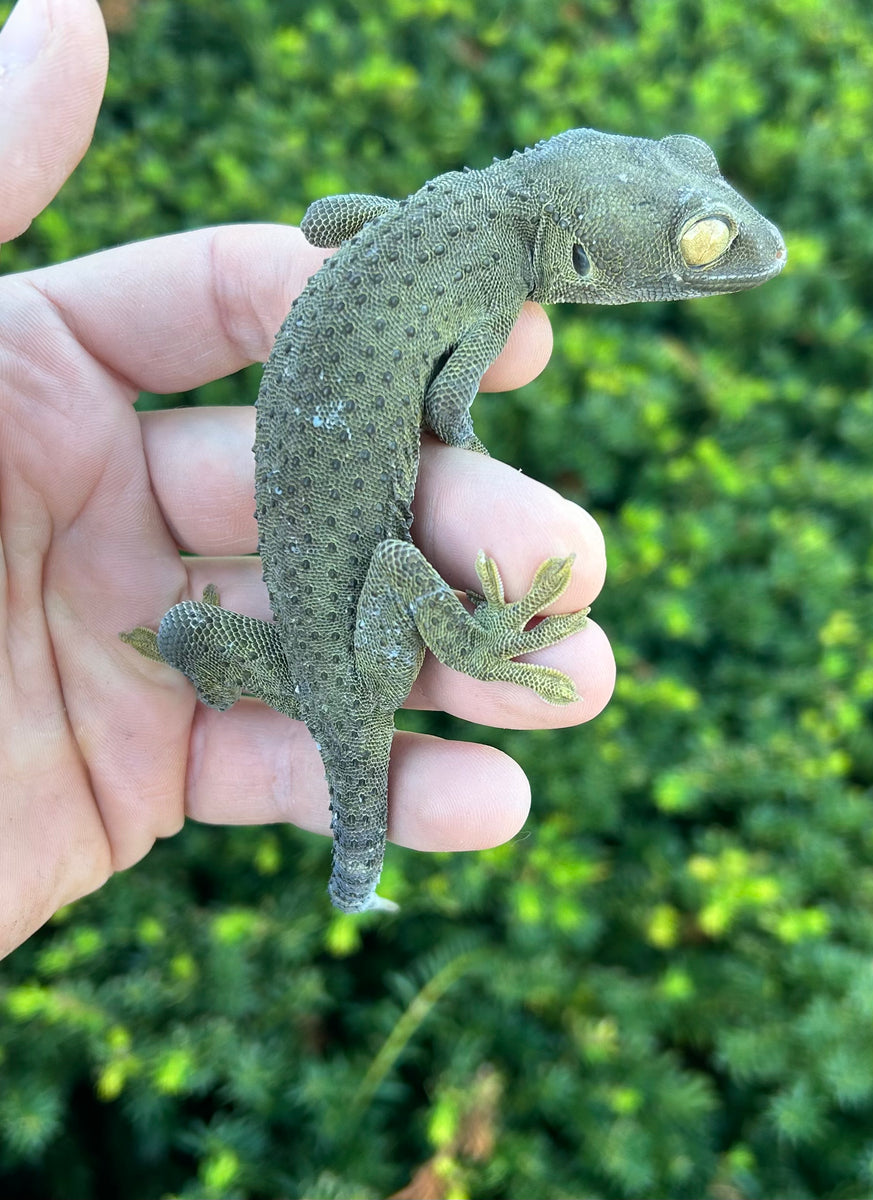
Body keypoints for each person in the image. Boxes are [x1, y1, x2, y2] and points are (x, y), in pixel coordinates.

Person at [0, 0, 613, 957]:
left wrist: (397, 231)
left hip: (320, 649)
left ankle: (354, 853)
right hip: (339, 662)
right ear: (573, 249)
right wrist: (476, 626)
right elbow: (452, 413)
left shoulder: (438, 213)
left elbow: (323, 220)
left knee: (196, 627)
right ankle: (469, 671)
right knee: (374, 580)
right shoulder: (495, 282)